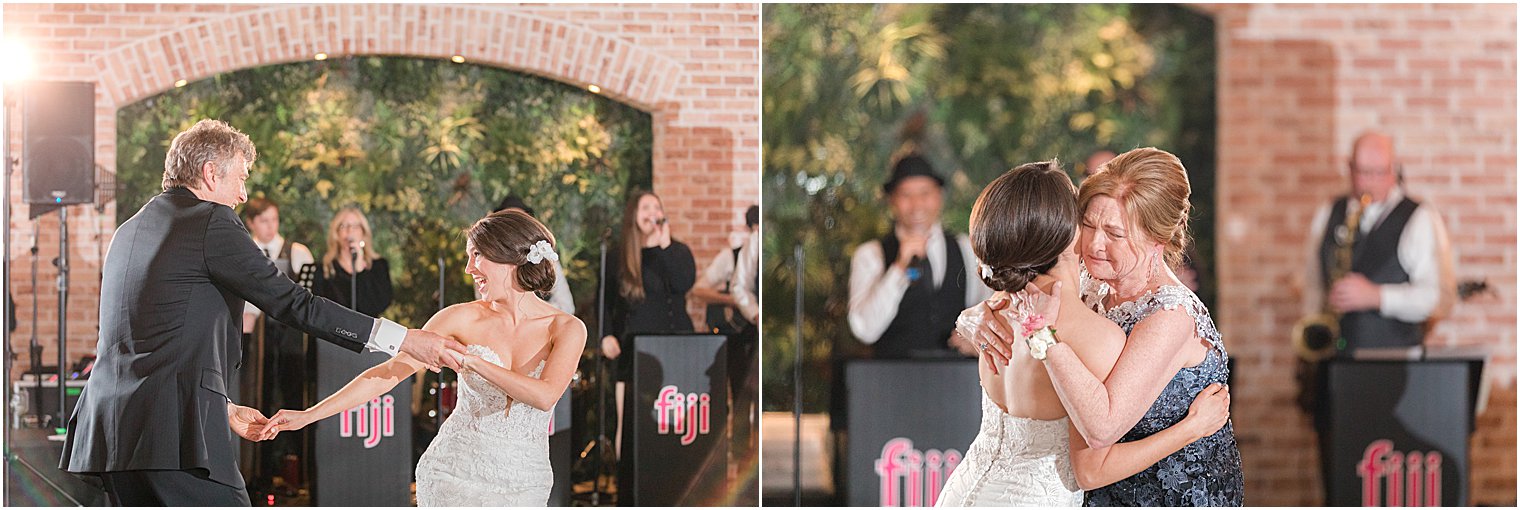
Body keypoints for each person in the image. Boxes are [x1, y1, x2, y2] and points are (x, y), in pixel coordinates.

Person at [59, 119, 465, 506]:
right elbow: (294, 303)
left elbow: (153, 339)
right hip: (172, 438)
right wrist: (405, 339)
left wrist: (222, 406)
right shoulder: (211, 221)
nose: (243, 195)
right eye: (241, 178)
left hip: (110, 434)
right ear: (211, 174)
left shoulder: (129, 229)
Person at [936, 161, 1231, 506]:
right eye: (1088, 223)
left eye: (1115, 233)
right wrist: (970, 318)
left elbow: (1098, 440)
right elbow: (1094, 455)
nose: (1094, 243)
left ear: (1159, 238)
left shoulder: (1015, 300)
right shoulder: (1081, 312)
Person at [261, 210, 587, 506]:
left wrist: (473, 362)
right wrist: (308, 415)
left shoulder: (567, 328)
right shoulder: (457, 319)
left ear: (509, 257)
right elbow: (388, 374)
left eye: (477, 256)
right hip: (453, 474)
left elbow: (544, 397)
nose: (469, 268)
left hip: (527, 481)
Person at [1299, 131, 1450, 496]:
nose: (1368, 181)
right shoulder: (1330, 212)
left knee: (1381, 481)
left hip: (1394, 374)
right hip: (1336, 368)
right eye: (1361, 172)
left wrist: (1377, 296)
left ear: (1394, 170)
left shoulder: (1418, 217)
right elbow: (1311, 282)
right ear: (1349, 168)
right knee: (1338, 475)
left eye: (1379, 172)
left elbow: (1436, 297)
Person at [597, 190, 697, 489]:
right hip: (632, 349)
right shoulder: (618, 256)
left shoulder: (677, 252)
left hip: (675, 346)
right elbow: (604, 300)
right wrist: (604, 336)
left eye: (657, 207)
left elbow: (683, 284)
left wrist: (664, 246)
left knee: (672, 421)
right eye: (645, 207)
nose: (652, 212)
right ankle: (628, 488)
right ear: (633, 215)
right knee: (629, 422)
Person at [848, 153, 991, 358]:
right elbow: (865, 330)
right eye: (906, 195)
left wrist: (975, 336)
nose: (916, 205)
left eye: (924, 194)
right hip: (890, 380)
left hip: (956, 378)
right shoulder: (871, 254)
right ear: (892, 200)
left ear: (939, 196)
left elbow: (987, 309)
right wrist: (898, 268)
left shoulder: (966, 249)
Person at [238, 197, 316, 495]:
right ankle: (259, 476)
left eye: (274, 219)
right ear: (252, 223)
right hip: (258, 341)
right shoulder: (246, 252)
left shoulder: (296, 252)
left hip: (291, 340)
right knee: (259, 399)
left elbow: (306, 297)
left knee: (295, 398)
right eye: (264, 221)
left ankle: (300, 475)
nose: (271, 226)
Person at [492, 195, 574, 314]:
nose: (514, 228)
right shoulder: (489, 261)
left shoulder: (544, 256)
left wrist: (532, 314)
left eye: (519, 221)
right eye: (509, 223)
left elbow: (566, 306)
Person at [313, 207, 393, 317]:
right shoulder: (324, 269)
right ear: (336, 234)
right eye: (344, 226)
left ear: (363, 233)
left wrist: (360, 269)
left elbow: (379, 305)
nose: (350, 231)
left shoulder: (379, 266)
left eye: (355, 226)